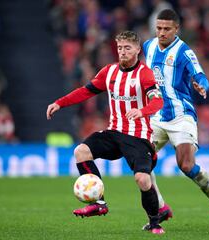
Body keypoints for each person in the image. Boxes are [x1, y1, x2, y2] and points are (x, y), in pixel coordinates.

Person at [46, 31, 165, 234]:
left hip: (138, 136)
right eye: (119, 48)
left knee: (143, 180)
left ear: (137, 50)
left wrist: (141, 111)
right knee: (81, 151)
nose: (123, 52)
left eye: (127, 48)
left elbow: (158, 101)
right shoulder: (109, 72)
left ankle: (154, 222)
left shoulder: (144, 74)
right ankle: (99, 202)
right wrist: (60, 103)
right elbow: (85, 91)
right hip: (114, 132)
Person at [142, 9, 209, 231]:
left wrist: (202, 86)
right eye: (159, 28)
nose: (162, 33)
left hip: (180, 116)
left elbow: (201, 75)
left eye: (166, 29)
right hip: (156, 116)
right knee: (140, 161)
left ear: (176, 29)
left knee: (185, 165)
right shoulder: (148, 46)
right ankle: (161, 208)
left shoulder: (184, 52)